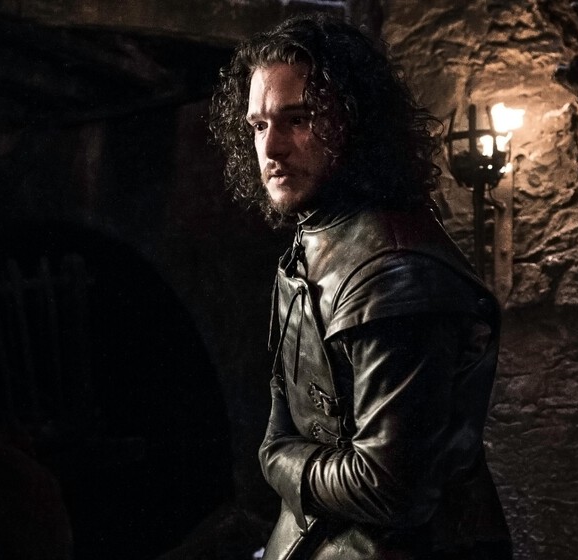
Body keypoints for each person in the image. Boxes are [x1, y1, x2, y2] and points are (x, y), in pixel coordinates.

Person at [210, 14, 511, 560]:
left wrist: (280, 461)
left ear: (354, 122)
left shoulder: (396, 273)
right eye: (258, 125)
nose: (271, 148)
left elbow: (388, 488)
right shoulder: (314, 243)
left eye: (297, 119)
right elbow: (283, 432)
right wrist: (281, 456)